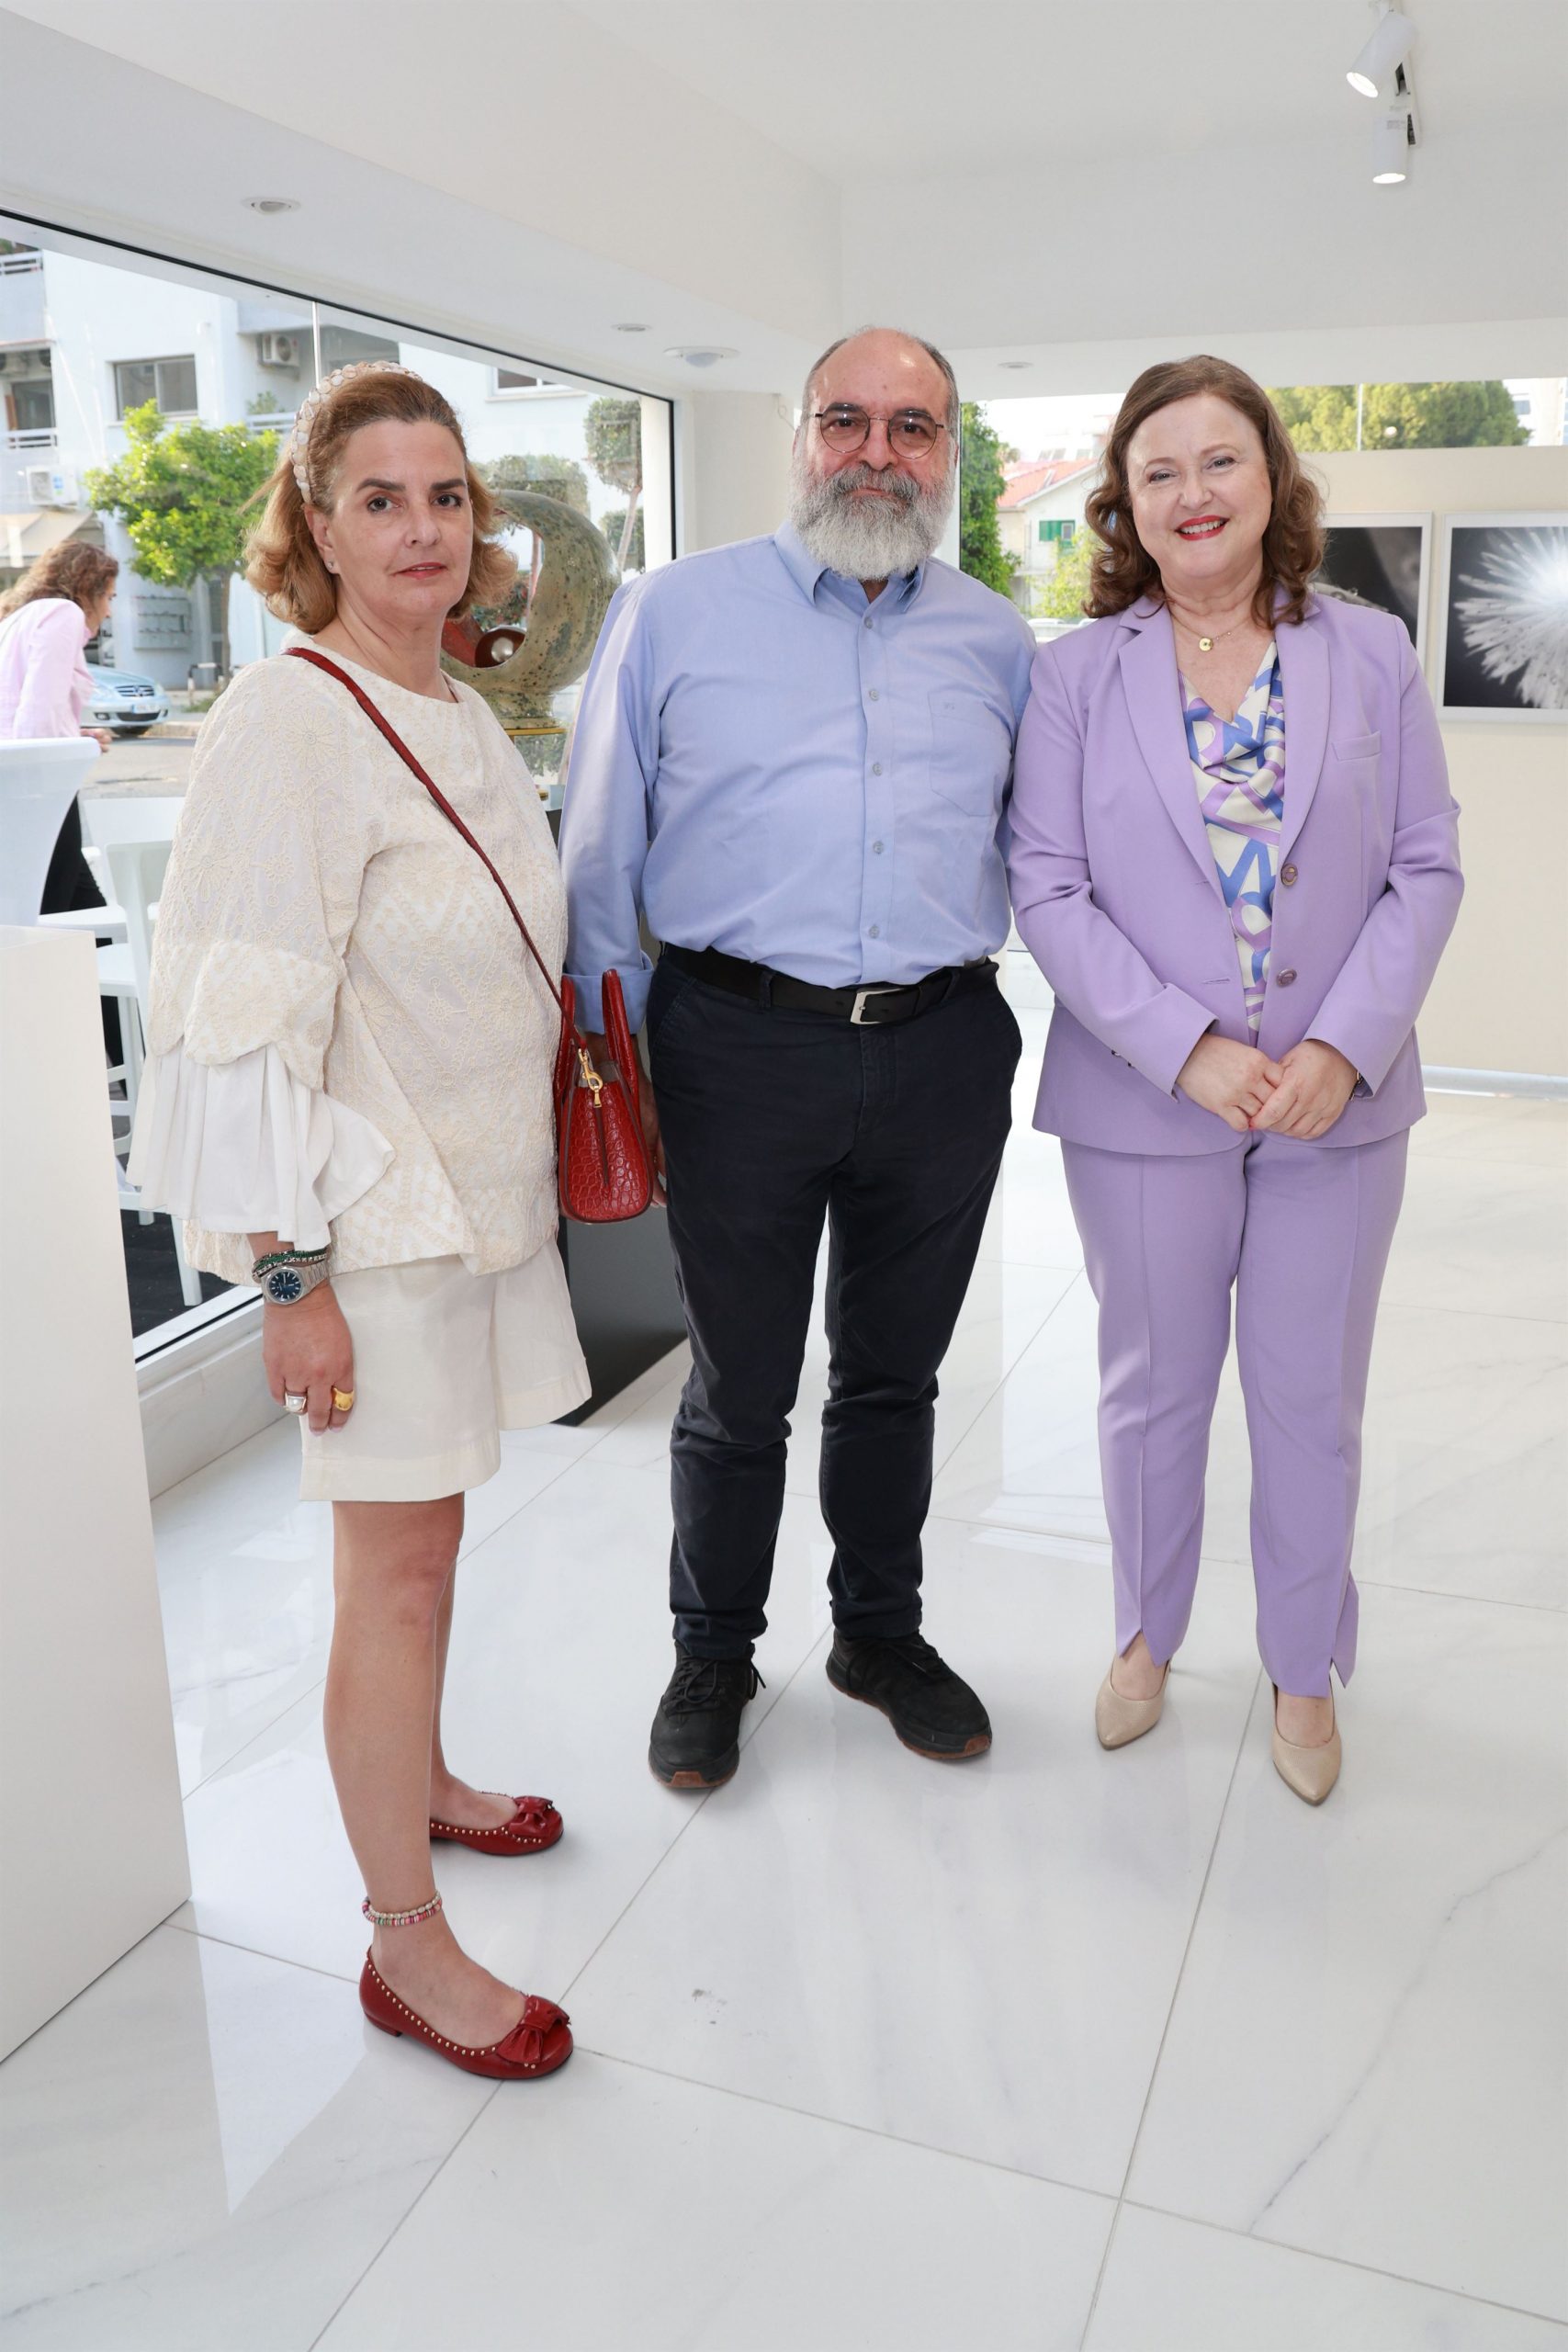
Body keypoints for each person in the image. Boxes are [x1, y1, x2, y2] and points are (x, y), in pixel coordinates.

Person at [130, 363, 587, 2074]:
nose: (420, 529)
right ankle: (405, 1944)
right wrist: (288, 1279)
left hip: (469, 1215)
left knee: (429, 1548)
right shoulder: (289, 718)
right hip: (366, 1236)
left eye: (446, 496)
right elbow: (238, 1017)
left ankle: (426, 1782)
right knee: (391, 1577)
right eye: (379, 500)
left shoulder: (455, 704)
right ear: (315, 528)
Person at [561, 325, 1037, 1790]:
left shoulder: (997, 640)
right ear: (799, 439)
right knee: (738, 1386)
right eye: (845, 419)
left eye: (911, 426)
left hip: (941, 1046)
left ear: (948, 454)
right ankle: (712, 1652)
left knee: (893, 1378)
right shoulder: (672, 610)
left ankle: (875, 1635)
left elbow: (1045, 850)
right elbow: (599, 855)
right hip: (733, 1048)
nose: (874, 453)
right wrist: (607, 1069)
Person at [1006, 356, 1462, 1803]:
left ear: (1271, 478)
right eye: (1158, 471)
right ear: (1123, 505)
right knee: (1149, 1393)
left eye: (1218, 461)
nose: (1191, 493)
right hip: (1144, 1102)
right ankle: (1144, 1636)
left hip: (1336, 1104)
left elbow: (1424, 865)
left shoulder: (1368, 652)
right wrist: (1180, 1046)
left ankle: (1301, 1668)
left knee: (1307, 1398)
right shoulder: (1073, 676)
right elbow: (1046, 885)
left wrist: (1341, 1044)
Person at [0, 538, 118, 912]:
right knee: (50, 912)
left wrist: (76, 739)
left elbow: (20, 712)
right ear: (89, 588)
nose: (109, 611)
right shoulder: (63, 613)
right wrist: (61, 751)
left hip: (18, 779)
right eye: (110, 597)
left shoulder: (19, 619)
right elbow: (38, 712)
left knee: (83, 905)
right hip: (39, 787)